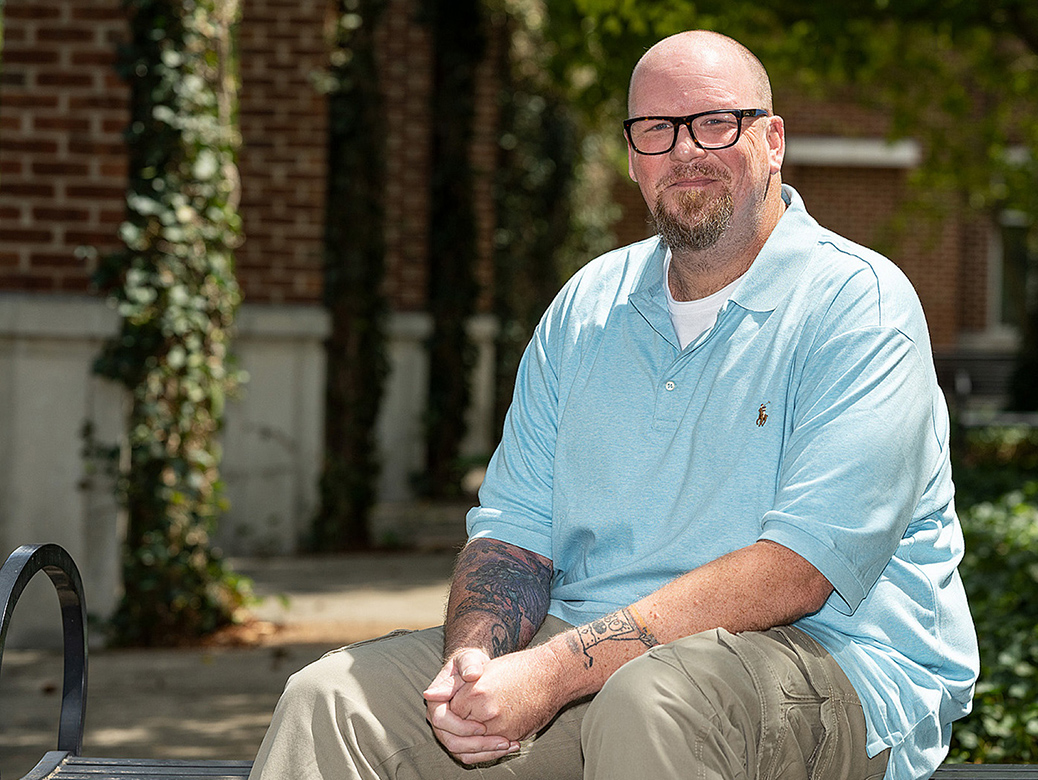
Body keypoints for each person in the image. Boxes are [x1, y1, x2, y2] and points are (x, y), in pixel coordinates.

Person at [249, 29, 978, 780]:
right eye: (656, 130)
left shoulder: (859, 304)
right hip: (596, 663)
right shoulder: (588, 306)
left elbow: (799, 569)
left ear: (773, 140)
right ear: (633, 158)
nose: (686, 151)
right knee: (331, 698)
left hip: (829, 665)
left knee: (653, 698)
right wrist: (475, 663)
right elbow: (514, 531)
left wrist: (559, 671)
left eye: (716, 123)